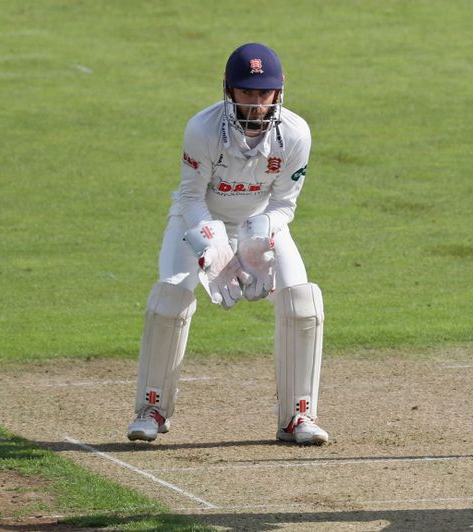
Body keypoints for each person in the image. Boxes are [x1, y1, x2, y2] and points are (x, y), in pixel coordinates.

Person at [127, 43, 329, 446]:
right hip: (198, 220)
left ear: (279, 90)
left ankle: (297, 416)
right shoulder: (202, 129)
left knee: (302, 302)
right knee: (171, 296)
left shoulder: (296, 133)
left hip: (260, 222)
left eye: (263, 93)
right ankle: (152, 408)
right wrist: (214, 246)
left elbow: (284, 204)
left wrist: (257, 236)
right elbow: (189, 199)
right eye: (246, 93)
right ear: (229, 89)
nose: (255, 104)